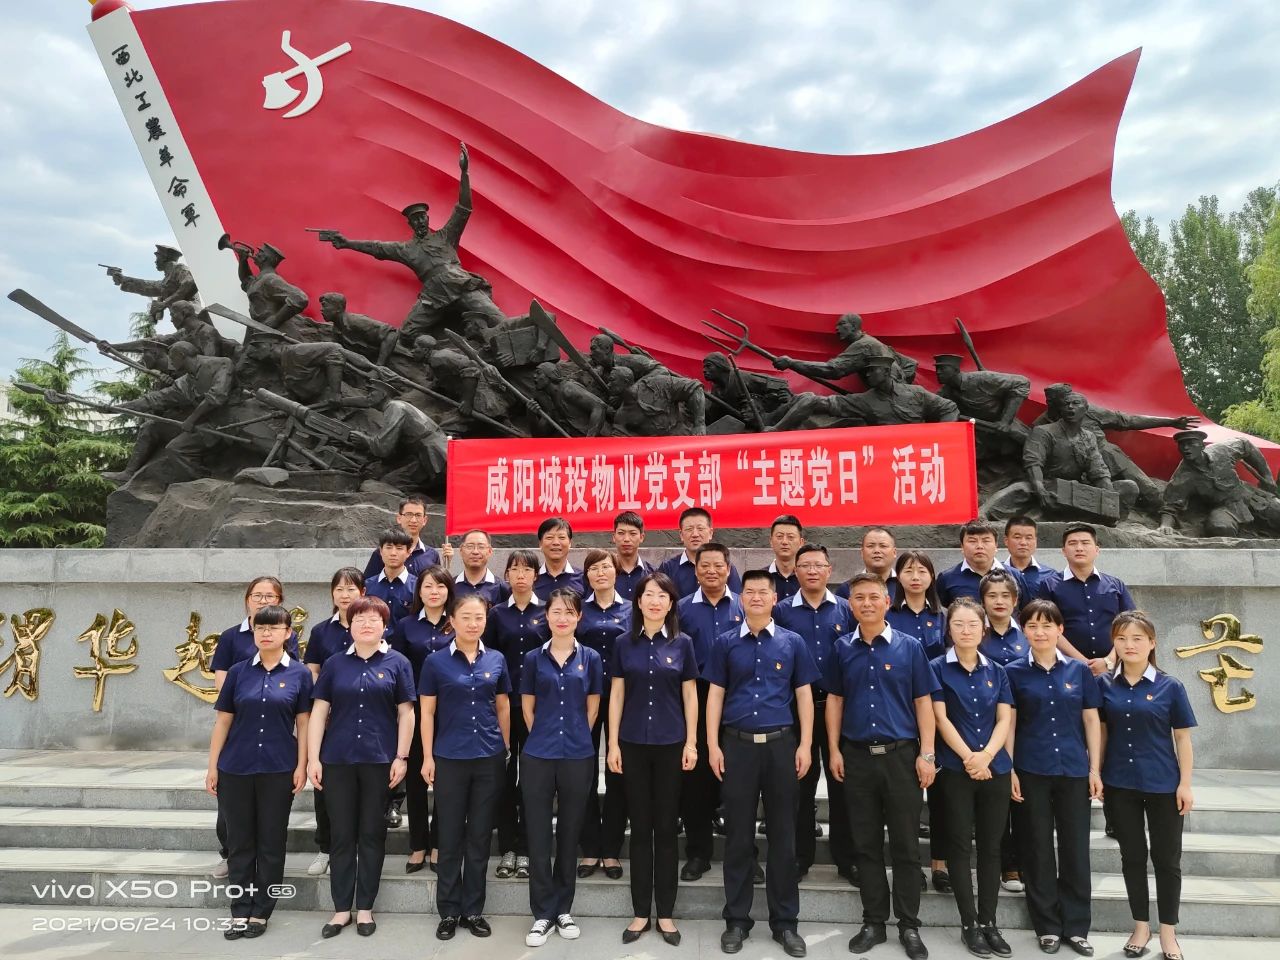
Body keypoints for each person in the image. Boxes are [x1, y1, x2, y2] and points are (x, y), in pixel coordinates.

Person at [826, 573, 939, 960]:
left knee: (906, 846)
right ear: (851, 605)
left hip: (901, 757)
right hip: (857, 757)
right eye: (859, 598)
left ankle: (909, 925)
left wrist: (927, 754)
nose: (867, 604)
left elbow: (923, 702)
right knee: (866, 844)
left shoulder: (910, 647)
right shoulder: (842, 647)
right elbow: (835, 701)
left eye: (874, 597)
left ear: (887, 602)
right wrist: (834, 750)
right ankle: (874, 921)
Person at [707, 569, 818, 958]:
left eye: (763, 592)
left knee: (784, 837)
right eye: (749, 591)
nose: (756, 597)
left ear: (774, 599)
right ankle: (737, 920)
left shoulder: (792, 642)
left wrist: (806, 744)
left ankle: (785, 923)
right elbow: (715, 695)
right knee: (738, 837)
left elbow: (804, 696)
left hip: (781, 746)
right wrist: (712, 744)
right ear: (742, 598)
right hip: (736, 747)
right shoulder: (725, 643)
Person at [307, 596, 416, 939]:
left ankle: (365, 907)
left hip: (379, 761)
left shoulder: (398, 663)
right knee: (341, 835)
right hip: (337, 760)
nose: (366, 624)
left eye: (374, 619)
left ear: (385, 625)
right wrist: (312, 758)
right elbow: (319, 713)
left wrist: (401, 757)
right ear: (349, 625)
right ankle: (341, 909)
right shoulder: (335, 664)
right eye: (359, 619)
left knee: (371, 834)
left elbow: (407, 713)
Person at [206, 604, 312, 940]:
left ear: (288, 633)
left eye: (273, 628)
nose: (266, 633)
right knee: (239, 842)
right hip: (235, 768)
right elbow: (223, 721)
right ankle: (239, 910)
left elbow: (304, 724)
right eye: (260, 627)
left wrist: (302, 765)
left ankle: (262, 912)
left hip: (279, 768)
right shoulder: (238, 672)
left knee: (271, 841)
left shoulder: (299, 674)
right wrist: (212, 766)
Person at [1005, 599, 1103, 956]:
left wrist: (1094, 768)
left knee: (1076, 849)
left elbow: (1091, 719)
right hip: (1031, 769)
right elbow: (1009, 723)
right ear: (1024, 631)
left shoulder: (1078, 671)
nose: (1040, 632)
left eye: (1048, 625)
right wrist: (1010, 769)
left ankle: (1076, 927)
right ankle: (1046, 925)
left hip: (1073, 770)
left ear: (1060, 630)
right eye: (1032, 625)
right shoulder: (1012, 672)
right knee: (1036, 847)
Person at [608, 572, 699, 945]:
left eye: (662, 595)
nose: (655, 601)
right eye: (648, 594)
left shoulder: (683, 643)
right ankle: (640, 912)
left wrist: (692, 743)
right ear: (639, 601)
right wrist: (612, 744)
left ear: (671, 602)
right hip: (631, 743)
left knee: (665, 828)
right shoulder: (622, 643)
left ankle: (666, 914)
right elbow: (616, 694)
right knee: (640, 828)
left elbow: (690, 695)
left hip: (670, 744)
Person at [1100, 611, 1196, 960]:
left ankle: (1168, 932)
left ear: (1152, 643)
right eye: (1122, 638)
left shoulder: (1171, 686)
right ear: (1114, 643)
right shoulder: (1104, 685)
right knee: (1132, 857)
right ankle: (1141, 927)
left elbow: (1182, 739)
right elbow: (1101, 733)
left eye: (1137, 638)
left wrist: (1185, 784)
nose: (1129, 645)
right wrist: (1097, 773)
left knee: (1167, 860)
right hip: (1120, 784)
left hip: (1163, 785)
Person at [420, 593, 511, 940]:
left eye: (479, 618)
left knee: (479, 836)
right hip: (450, 757)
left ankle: (473, 909)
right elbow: (427, 712)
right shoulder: (435, 662)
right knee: (450, 835)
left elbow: (502, 707)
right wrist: (427, 756)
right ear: (453, 621)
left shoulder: (497, 659)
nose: (473, 624)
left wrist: (504, 746)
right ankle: (448, 910)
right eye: (467, 617)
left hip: (488, 757)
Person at [930, 598, 1015, 958]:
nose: (966, 631)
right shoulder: (936, 668)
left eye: (972, 624)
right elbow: (940, 719)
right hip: (956, 769)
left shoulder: (997, 670)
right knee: (960, 846)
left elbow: (1005, 718)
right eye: (958, 624)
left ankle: (989, 921)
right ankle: (969, 924)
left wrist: (987, 756)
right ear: (948, 629)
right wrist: (969, 758)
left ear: (984, 629)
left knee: (992, 847)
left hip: (995, 768)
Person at [520, 589, 604, 947]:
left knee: (570, 832)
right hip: (538, 754)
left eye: (570, 612)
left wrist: (576, 736)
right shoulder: (532, 658)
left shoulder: (592, 658)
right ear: (547, 616)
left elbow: (592, 707)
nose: (563, 618)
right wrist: (543, 735)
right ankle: (542, 913)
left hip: (577, 754)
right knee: (539, 834)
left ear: (579, 617)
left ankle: (563, 908)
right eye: (556, 612)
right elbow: (527, 708)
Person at [773, 543, 856, 884]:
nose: (811, 571)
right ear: (795, 571)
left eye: (818, 565)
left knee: (842, 783)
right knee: (799, 785)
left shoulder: (846, 609)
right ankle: (800, 856)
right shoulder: (781, 611)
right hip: (797, 710)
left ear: (829, 570)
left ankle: (846, 858)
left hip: (839, 707)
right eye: (804, 565)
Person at [210, 576, 300, 878]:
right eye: (257, 595)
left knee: (271, 831)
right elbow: (223, 691)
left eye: (269, 596)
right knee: (234, 820)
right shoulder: (232, 640)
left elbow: (296, 695)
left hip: (275, 742)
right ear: (247, 599)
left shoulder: (292, 659)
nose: (263, 601)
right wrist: (243, 696)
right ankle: (232, 860)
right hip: (240, 726)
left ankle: (263, 895)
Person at [676, 542, 744, 881]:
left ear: (729, 569)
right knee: (697, 780)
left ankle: (745, 855)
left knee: (741, 779)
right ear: (696, 570)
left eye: (719, 565)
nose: (712, 571)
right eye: (705, 566)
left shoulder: (745, 605)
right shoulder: (682, 609)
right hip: (698, 695)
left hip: (740, 695)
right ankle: (698, 853)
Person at [884, 550, 947, 890]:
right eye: (908, 571)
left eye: (922, 571)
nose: (915, 577)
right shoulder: (888, 616)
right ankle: (909, 867)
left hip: (940, 710)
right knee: (905, 799)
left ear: (932, 577)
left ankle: (940, 863)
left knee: (941, 794)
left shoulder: (944, 617)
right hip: (898, 711)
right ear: (898, 578)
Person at [389, 566, 455, 874]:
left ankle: (439, 844)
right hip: (414, 710)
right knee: (416, 780)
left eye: (440, 586)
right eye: (428, 586)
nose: (434, 592)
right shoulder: (405, 625)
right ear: (419, 591)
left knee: (445, 780)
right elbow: (398, 667)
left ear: (448, 591)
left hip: (450, 710)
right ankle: (418, 845)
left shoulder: (456, 623)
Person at [488, 548, 549, 879]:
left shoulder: (549, 611)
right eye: (515, 569)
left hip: (539, 707)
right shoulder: (496, 614)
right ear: (507, 575)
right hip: (504, 706)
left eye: (527, 569)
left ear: (536, 576)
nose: (521, 575)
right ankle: (508, 847)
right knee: (505, 776)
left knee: (532, 779)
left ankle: (526, 848)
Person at [303, 567, 365, 878]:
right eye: (339, 589)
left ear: (362, 593)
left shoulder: (374, 626)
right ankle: (326, 847)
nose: (345, 595)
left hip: (366, 718)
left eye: (351, 589)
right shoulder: (321, 632)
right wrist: (322, 703)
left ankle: (359, 847)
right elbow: (312, 670)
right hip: (330, 719)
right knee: (325, 786)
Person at [576, 550, 631, 880]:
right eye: (594, 568)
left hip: (624, 699)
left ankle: (611, 849)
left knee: (617, 772)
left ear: (616, 572)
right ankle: (590, 848)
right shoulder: (579, 609)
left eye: (606, 567)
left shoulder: (631, 609)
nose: (600, 573)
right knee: (583, 771)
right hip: (583, 699)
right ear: (587, 575)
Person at [977, 569, 1028, 895]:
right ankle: (1004, 864)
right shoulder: (976, 634)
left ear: (1015, 600)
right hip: (987, 727)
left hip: (1027, 726)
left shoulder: (1027, 633)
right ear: (982, 601)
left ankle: (1022, 862)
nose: (999, 601)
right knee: (997, 802)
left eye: (1005, 596)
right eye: (992, 596)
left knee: (1021, 798)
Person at [1037, 523, 1136, 676]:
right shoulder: (1049, 586)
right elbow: (1047, 627)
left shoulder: (1115, 585)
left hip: (1114, 669)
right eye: (1072, 543)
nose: (1079, 548)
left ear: (1097, 550)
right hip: (1067, 669)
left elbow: (1132, 625)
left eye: (1085, 543)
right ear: (1063, 551)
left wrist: (1109, 661)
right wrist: (1081, 662)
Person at [936, 522, 1028, 608]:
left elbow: (1026, 612)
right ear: (962, 547)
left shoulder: (1015, 576)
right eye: (972, 541)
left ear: (996, 546)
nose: (979, 546)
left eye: (986, 541)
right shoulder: (946, 578)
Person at [658, 507, 743, 598]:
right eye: (689, 529)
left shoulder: (724, 567)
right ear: (681, 535)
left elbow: (736, 601)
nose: (695, 534)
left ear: (710, 533)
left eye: (700, 529)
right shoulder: (668, 568)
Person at [363, 497, 441, 580]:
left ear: (424, 520)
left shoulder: (432, 555)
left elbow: (437, 583)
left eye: (418, 515)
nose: (413, 520)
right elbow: (369, 583)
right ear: (399, 518)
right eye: (409, 514)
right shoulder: (382, 553)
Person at [365, 528, 417, 624]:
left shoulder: (418, 586)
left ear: (408, 552)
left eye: (399, 548)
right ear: (381, 551)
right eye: (388, 547)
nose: (393, 553)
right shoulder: (367, 586)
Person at [836, 527, 898, 600]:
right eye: (870, 546)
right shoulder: (846, 589)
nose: (877, 550)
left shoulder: (905, 585)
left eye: (883, 546)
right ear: (862, 552)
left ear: (894, 552)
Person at [453, 528, 508, 605]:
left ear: (490, 551)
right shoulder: (451, 586)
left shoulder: (502, 588)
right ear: (461, 551)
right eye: (470, 546)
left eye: (481, 547)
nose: (475, 551)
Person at [534, 517, 585, 599]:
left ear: (570, 543)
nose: (556, 543)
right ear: (540, 544)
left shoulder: (583, 578)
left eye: (561, 538)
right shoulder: (531, 578)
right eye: (549, 537)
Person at [611, 511, 654, 600]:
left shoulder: (653, 573)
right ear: (614, 537)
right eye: (621, 533)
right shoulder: (603, 574)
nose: (626, 539)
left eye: (633, 533)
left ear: (641, 537)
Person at [1004, 516, 1051, 597]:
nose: (1023, 542)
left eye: (1028, 538)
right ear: (1006, 540)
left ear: (1036, 541)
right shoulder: (995, 572)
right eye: (1017, 537)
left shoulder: (1050, 576)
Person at [767, 514, 804, 602]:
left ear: (801, 542)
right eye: (779, 536)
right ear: (771, 541)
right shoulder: (761, 576)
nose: (784, 542)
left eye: (790, 537)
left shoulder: (808, 576)